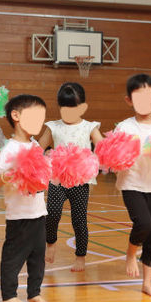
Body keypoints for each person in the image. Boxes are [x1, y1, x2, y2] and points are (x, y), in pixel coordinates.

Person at [39, 82, 103, 272]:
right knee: (52, 213)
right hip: (57, 179)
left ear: (82, 107)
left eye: (73, 107)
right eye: (65, 107)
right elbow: (39, 148)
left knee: (79, 220)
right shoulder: (53, 127)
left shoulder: (90, 127)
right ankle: (50, 243)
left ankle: (80, 257)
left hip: (80, 181)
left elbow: (102, 146)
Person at [0, 94, 50, 302]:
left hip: (38, 212)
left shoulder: (35, 145)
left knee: (38, 257)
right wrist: (11, 173)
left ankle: (34, 292)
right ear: (16, 116)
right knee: (14, 257)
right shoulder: (10, 149)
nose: (40, 122)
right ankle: (9, 295)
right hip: (19, 215)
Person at [115, 73, 151, 296]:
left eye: (148, 96)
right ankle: (130, 252)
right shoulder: (124, 127)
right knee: (144, 223)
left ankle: (147, 282)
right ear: (128, 100)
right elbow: (114, 157)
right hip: (132, 183)